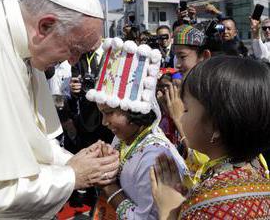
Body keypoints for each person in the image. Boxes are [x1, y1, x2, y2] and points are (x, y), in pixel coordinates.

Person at [0, 0, 120, 219]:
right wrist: (72, 176)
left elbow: (31, 140)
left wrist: (77, 161)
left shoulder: (29, 46)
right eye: (74, 49)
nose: (74, 62)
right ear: (45, 26)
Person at [151, 56, 270, 219]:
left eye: (186, 109)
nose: (180, 116)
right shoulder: (258, 168)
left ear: (215, 126)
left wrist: (169, 211)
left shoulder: (207, 202)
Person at [86, 37, 188, 219]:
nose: (104, 122)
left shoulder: (154, 158)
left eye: (109, 112)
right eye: (101, 113)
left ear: (133, 112)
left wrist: (109, 187)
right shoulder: (126, 137)